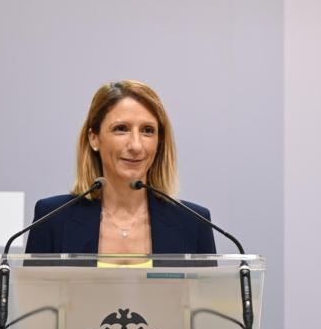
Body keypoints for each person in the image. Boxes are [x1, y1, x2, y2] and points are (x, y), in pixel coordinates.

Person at [24, 80, 216, 256]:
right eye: (121, 129)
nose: (136, 146)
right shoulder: (51, 218)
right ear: (94, 138)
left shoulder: (194, 223)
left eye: (147, 131)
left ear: (159, 142)